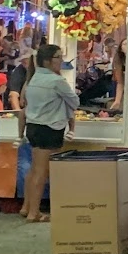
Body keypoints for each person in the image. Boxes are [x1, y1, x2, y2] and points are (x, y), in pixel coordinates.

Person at [20, 43, 79, 222]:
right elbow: (74, 102)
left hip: (33, 127)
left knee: (33, 169)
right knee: (41, 172)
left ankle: (26, 206)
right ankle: (34, 213)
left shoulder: (34, 78)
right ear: (47, 61)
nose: (61, 61)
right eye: (58, 57)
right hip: (49, 128)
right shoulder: (56, 81)